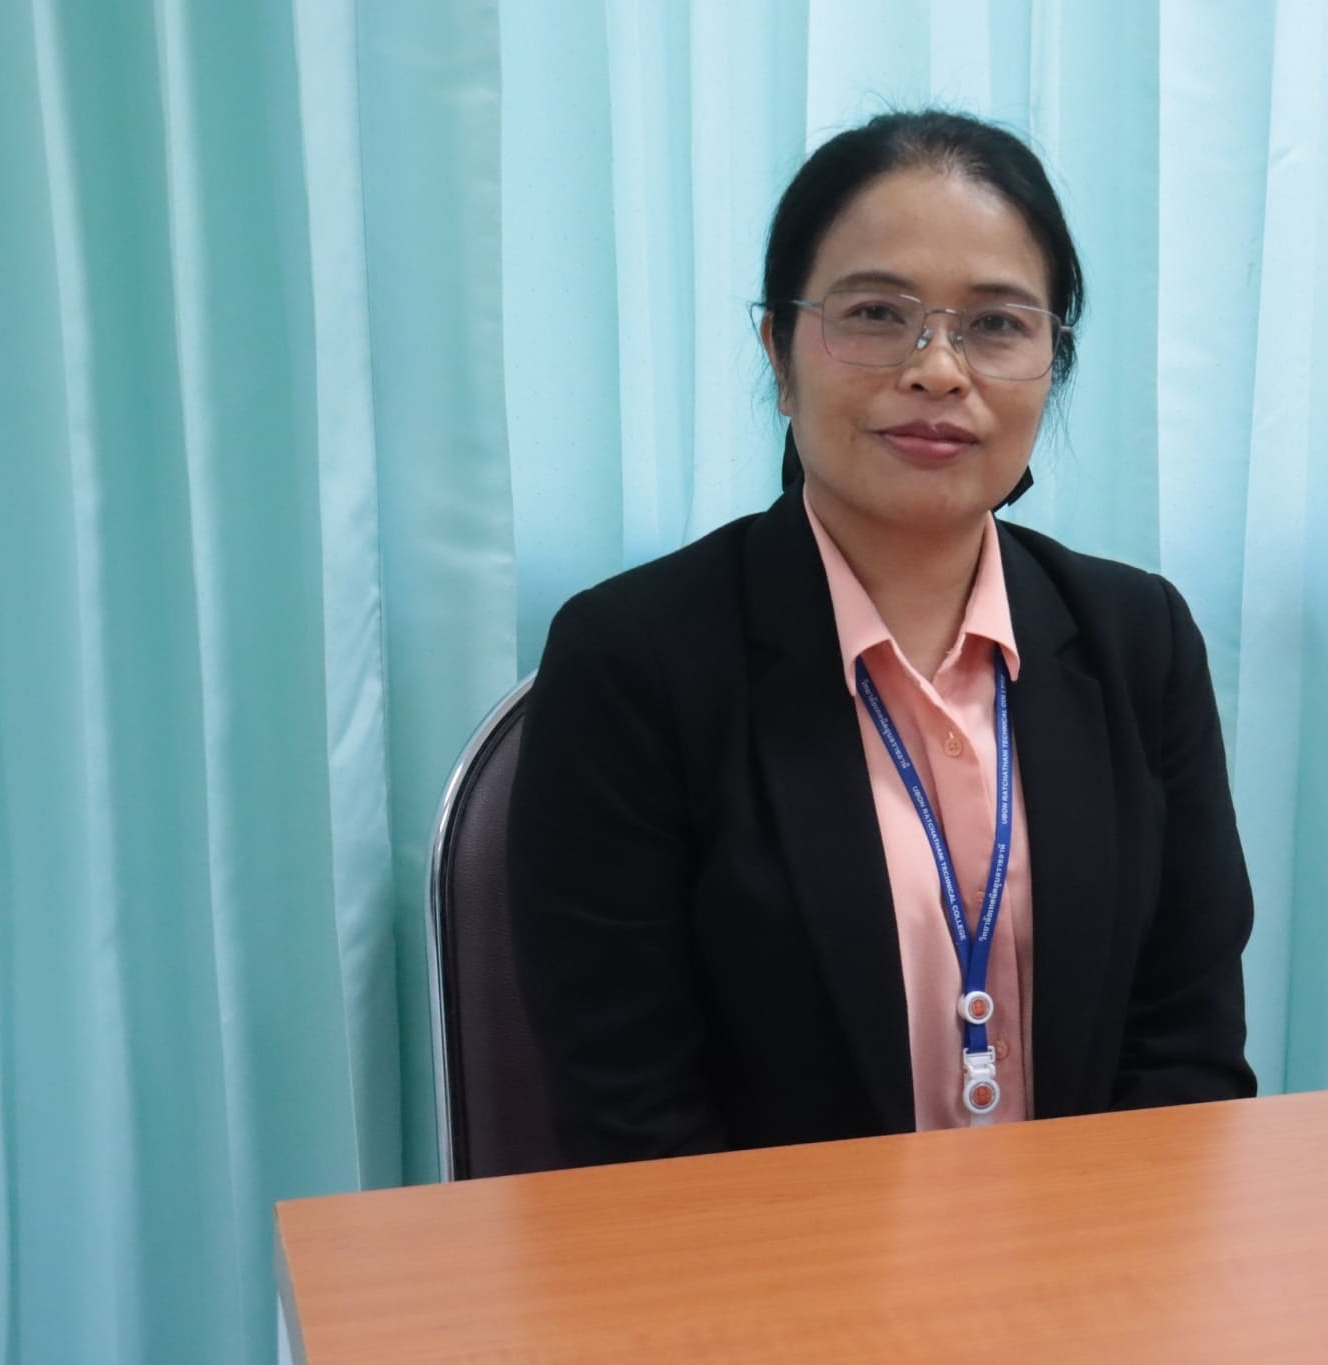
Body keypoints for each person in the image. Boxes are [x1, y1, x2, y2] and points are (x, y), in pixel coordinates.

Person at [509, 109, 1256, 1168]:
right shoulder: (632, 662)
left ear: (1053, 363)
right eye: (874, 314)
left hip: (1092, 1254)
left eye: (995, 325)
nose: (938, 369)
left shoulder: (1141, 642)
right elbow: (634, 1120)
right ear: (779, 352)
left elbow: (1187, 1057)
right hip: (766, 1263)